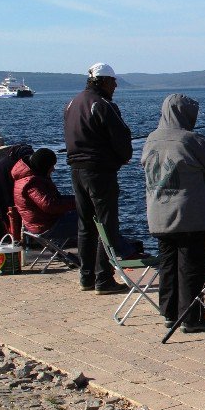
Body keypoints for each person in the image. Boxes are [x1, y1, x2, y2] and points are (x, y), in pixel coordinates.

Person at [142, 94, 205, 333]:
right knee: (194, 267)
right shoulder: (192, 140)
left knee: (168, 266)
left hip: (159, 216)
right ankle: (191, 318)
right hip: (189, 216)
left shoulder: (151, 139)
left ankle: (170, 314)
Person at [63, 63, 132, 294]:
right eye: (113, 82)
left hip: (76, 170)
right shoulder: (103, 105)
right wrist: (123, 158)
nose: (115, 86)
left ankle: (86, 277)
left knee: (85, 226)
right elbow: (121, 138)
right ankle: (104, 278)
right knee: (107, 224)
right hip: (99, 172)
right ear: (102, 81)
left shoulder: (72, 103)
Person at [12, 148, 78, 247]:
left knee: (85, 214)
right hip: (47, 227)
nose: (53, 169)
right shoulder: (32, 183)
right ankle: (92, 257)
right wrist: (78, 203)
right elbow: (50, 206)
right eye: (52, 166)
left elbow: (53, 201)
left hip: (39, 223)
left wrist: (77, 200)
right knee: (91, 220)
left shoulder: (27, 178)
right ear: (44, 166)